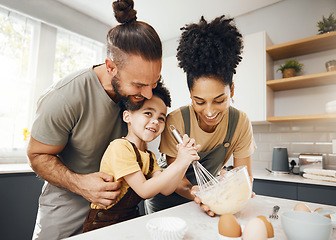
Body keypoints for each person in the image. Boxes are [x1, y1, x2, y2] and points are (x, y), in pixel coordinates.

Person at [27, 0, 163, 239]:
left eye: (153, 83)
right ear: (111, 67)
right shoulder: (65, 97)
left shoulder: (141, 95)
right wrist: (80, 184)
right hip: (66, 214)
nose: (148, 95)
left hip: (120, 215)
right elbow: (37, 155)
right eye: (140, 85)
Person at [145, 15, 256, 216]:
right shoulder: (177, 121)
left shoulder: (240, 123)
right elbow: (177, 181)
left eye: (219, 100)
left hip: (208, 201)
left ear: (231, 90)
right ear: (190, 95)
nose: (210, 111)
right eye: (199, 101)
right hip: (166, 204)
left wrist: (232, 187)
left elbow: (244, 176)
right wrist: (199, 193)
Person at [83, 82, 199, 232]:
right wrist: (179, 162)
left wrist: (184, 162)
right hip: (102, 224)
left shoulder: (149, 157)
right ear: (127, 116)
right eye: (148, 113)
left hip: (129, 220)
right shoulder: (120, 147)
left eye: (161, 118)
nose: (156, 121)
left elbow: (166, 189)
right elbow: (144, 190)